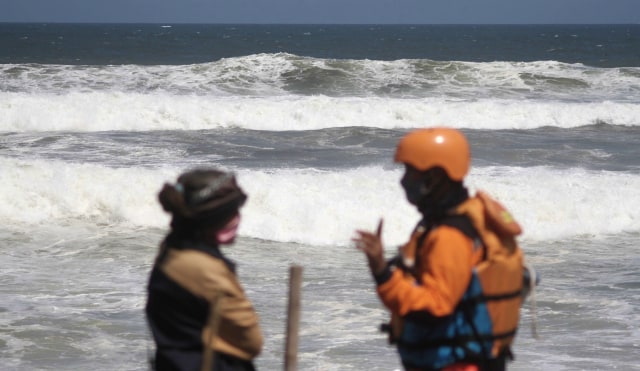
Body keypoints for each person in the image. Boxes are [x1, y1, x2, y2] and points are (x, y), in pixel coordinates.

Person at [353, 127, 527, 371]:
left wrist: (382, 272)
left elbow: (436, 306)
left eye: (410, 171)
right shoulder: (454, 222)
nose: (403, 180)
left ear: (434, 177)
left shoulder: (450, 235)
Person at [146, 168, 263, 371]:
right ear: (212, 219)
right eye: (232, 213)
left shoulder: (170, 249)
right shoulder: (204, 269)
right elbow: (252, 341)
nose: (237, 219)